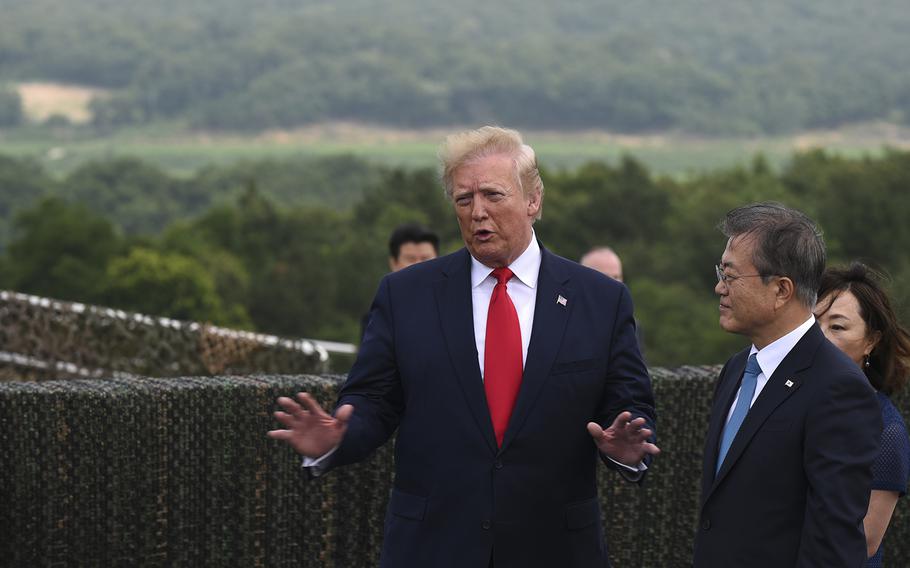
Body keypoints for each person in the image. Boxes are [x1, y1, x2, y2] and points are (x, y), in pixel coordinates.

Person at [269, 126, 658, 567]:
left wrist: (628, 451)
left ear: (534, 200)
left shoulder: (601, 300)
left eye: (493, 195)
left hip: (556, 548)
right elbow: (373, 399)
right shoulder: (406, 295)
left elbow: (630, 406)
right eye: (463, 199)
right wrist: (338, 436)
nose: (477, 212)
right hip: (432, 547)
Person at [694, 202, 881, 567]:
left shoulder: (838, 389)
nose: (719, 287)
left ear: (781, 290)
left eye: (731, 276)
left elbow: (834, 541)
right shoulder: (736, 369)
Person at [814, 263, 910, 567]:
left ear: (871, 341)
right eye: (812, 324)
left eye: (837, 327)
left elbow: (864, 542)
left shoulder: (886, 431)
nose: (819, 339)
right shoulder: (786, 405)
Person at [360, 223, 439, 340]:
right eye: (411, 259)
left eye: (425, 259)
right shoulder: (379, 316)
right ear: (394, 263)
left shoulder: (455, 306)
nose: (419, 265)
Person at [580, 246, 644, 354]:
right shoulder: (564, 322)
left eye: (616, 277)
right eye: (605, 277)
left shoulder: (631, 326)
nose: (613, 285)